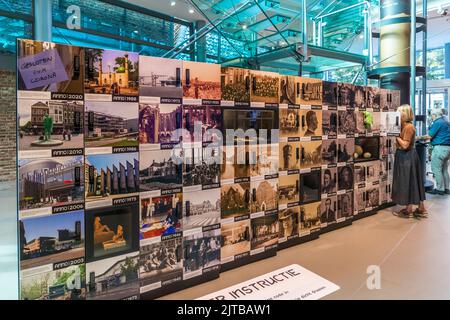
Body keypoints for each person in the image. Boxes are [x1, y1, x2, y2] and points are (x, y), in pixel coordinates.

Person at [391, 104, 427, 217]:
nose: (397, 114)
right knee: (412, 180)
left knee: (408, 180)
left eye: (399, 112)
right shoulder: (404, 126)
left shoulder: (408, 127)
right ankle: (416, 207)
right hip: (405, 156)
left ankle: (410, 208)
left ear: (404, 114)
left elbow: (405, 145)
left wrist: (395, 135)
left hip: (407, 157)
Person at [423, 108, 450, 195]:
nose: (431, 117)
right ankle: (447, 188)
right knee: (444, 169)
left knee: (436, 169)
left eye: (431, 115)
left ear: (434, 115)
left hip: (439, 148)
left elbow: (429, 136)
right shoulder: (446, 122)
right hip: (447, 148)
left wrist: (417, 137)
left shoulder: (437, 122)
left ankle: (440, 189)